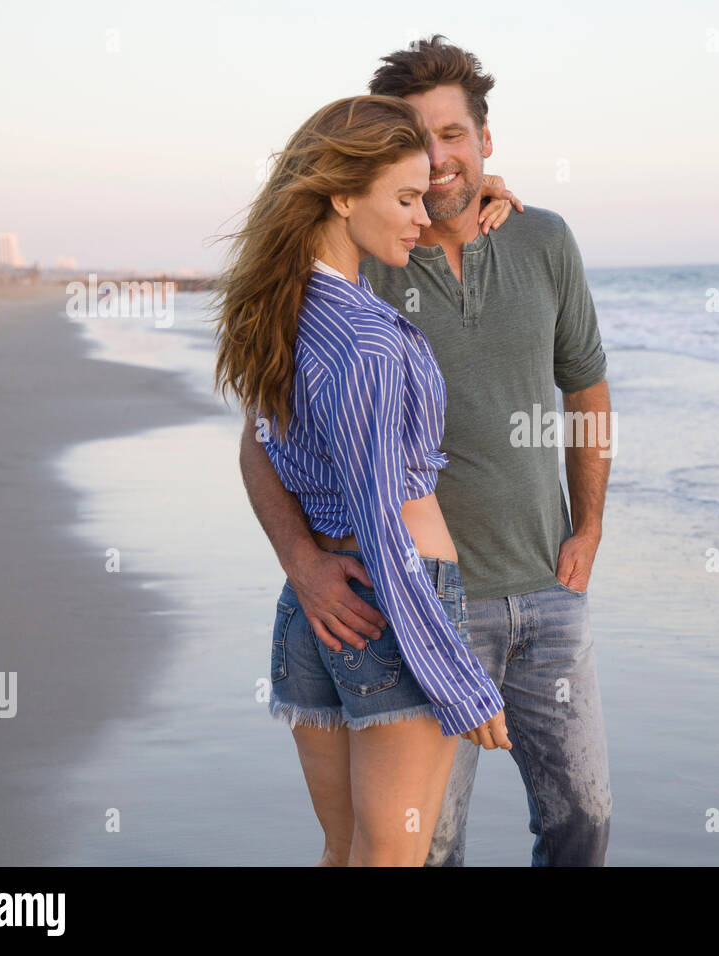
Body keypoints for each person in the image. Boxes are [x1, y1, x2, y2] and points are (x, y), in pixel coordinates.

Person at [238, 35, 614, 866]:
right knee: (418, 849)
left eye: (453, 136)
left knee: (580, 821)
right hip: (420, 598)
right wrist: (303, 562)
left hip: (543, 589)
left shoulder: (540, 239)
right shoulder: (369, 269)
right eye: (414, 146)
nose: (437, 164)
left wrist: (587, 529)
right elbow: (272, 441)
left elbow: (584, 386)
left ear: (486, 140)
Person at [213, 94, 523, 867]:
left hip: (316, 606)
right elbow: (382, 526)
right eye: (407, 198)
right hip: (393, 607)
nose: (423, 217)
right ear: (343, 195)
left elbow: (265, 448)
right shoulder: (364, 343)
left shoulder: (282, 315)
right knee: (390, 857)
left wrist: (489, 191)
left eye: (426, 196)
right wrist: (459, 677)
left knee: (345, 848)